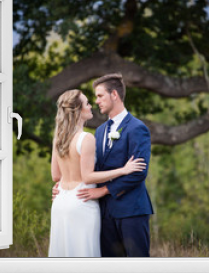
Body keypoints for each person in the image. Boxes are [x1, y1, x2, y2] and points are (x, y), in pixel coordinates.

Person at [48, 89, 146, 258]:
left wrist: (61, 185)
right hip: (82, 201)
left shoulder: (58, 138)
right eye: (87, 103)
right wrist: (123, 170)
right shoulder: (86, 138)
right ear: (78, 110)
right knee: (85, 254)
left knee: (63, 254)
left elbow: (56, 176)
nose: (91, 105)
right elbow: (87, 177)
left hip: (60, 202)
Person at [72, 73, 154, 257]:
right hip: (103, 213)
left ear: (114, 95)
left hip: (131, 211)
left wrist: (103, 191)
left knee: (137, 266)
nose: (97, 101)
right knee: (111, 268)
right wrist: (65, 187)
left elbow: (138, 173)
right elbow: (91, 169)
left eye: (100, 96)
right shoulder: (99, 131)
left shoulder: (137, 128)